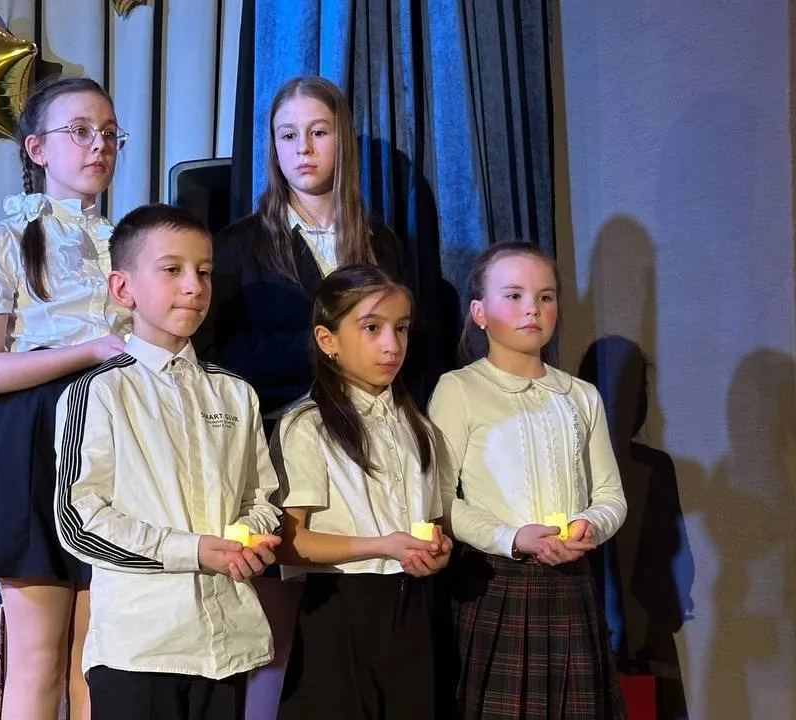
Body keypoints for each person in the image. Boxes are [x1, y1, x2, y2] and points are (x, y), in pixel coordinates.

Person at [196, 75, 407, 716]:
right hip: (279, 447)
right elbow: (219, 356)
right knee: (274, 637)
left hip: (367, 452)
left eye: (318, 132)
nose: (303, 149)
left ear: (342, 140)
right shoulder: (238, 243)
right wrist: (327, 349)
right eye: (288, 136)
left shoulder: (380, 241)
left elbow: (400, 343)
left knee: (353, 627)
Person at [0, 76, 129, 719]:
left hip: (115, 436)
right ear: (37, 148)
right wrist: (88, 352)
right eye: (80, 131)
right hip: (37, 438)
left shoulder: (128, 241)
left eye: (109, 134)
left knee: (99, 660)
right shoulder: (5, 237)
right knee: (38, 659)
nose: (98, 145)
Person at [54, 203, 281, 720]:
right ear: (123, 288)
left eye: (204, 272)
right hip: (142, 647)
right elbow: (79, 522)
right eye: (172, 270)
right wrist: (193, 550)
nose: (194, 286)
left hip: (227, 643)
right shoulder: (101, 392)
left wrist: (246, 539)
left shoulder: (236, 393)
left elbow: (262, 498)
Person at [428, 241, 628, 719]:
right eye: (514, 295)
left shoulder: (580, 395)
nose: (532, 309)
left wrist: (589, 526)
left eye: (545, 296)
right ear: (479, 312)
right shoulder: (460, 388)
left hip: (571, 582)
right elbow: (439, 500)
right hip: (496, 582)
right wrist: (513, 538)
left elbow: (610, 494)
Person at [271, 264, 451, 719]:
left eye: (401, 328)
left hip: (410, 606)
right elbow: (290, 542)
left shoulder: (419, 427)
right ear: (327, 339)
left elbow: (432, 522)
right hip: (339, 607)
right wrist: (382, 546)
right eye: (372, 328)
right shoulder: (307, 425)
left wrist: (436, 549)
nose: (392, 345)